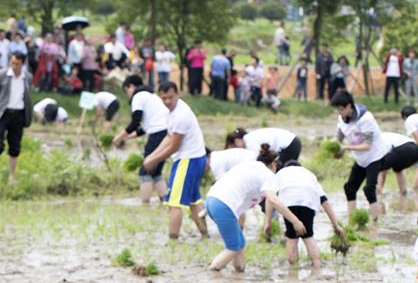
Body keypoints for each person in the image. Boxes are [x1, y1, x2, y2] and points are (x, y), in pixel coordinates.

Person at [204, 146, 305, 272]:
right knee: (234, 247)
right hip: (224, 205)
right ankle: (212, 272)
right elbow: (273, 199)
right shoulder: (267, 174)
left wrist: (267, 221)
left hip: (211, 200)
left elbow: (269, 200)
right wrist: (295, 221)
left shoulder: (249, 166)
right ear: (273, 164)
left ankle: (239, 271)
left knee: (239, 242)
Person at [141, 82, 209, 239]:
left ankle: (172, 241)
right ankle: (205, 235)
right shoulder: (171, 111)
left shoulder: (181, 115)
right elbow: (169, 136)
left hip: (187, 161)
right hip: (195, 158)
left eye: (170, 97)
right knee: (193, 200)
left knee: (174, 203)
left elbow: (174, 146)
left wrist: (155, 160)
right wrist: (151, 156)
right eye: (163, 98)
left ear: (178, 94)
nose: (167, 101)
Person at [274, 161, 345, 268]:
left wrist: (267, 221)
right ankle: (317, 267)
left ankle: (293, 270)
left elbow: (271, 198)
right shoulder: (308, 174)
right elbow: (324, 201)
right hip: (308, 202)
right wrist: (336, 225)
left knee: (291, 237)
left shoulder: (281, 173)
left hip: (288, 202)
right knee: (308, 236)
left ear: (286, 167)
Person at [331, 90, 388, 223]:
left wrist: (345, 148)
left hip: (375, 156)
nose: (339, 112)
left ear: (349, 106)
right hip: (361, 158)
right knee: (349, 188)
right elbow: (339, 135)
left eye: (340, 109)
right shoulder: (342, 118)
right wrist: (335, 147)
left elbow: (367, 145)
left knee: (369, 189)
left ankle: (375, 222)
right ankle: (352, 220)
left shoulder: (366, 119)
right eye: (337, 109)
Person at [113, 75, 170, 205]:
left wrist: (119, 137)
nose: (127, 94)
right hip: (167, 132)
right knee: (156, 171)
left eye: (126, 90)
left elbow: (135, 121)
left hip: (158, 133)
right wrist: (128, 137)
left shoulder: (138, 96)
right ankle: (165, 202)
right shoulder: (150, 96)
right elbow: (143, 128)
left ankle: (145, 206)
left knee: (145, 169)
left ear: (131, 86)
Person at [0, 52, 33, 186]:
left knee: (15, 147)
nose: (14, 66)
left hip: (18, 114)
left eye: (17, 64)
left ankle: (11, 177)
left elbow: (28, 96)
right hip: (2, 113)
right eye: (12, 63)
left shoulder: (27, 77)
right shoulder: (1, 75)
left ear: (22, 64)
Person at [225, 126, 301, 167]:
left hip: (289, 144)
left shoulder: (250, 142)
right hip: (292, 142)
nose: (236, 149)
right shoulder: (250, 137)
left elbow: (256, 161)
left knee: (279, 170)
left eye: (234, 146)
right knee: (283, 169)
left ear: (237, 140)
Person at [377, 131, 418, 200]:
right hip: (416, 150)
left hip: (403, 148)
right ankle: (403, 193)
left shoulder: (377, 141)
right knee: (398, 169)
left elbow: (382, 172)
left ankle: (378, 195)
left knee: (378, 169)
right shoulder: (385, 135)